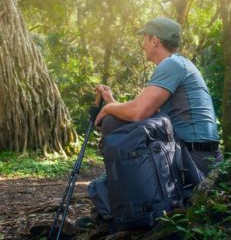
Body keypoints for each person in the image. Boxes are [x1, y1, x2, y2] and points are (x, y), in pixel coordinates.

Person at [76, 17, 223, 231]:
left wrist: (108, 109)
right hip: (195, 154)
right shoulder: (179, 64)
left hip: (192, 160)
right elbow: (145, 111)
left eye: (144, 38)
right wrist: (112, 102)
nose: (142, 44)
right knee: (109, 178)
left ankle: (111, 219)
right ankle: (109, 214)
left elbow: (138, 113)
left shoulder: (171, 64)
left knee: (114, 148)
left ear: (155, 40)